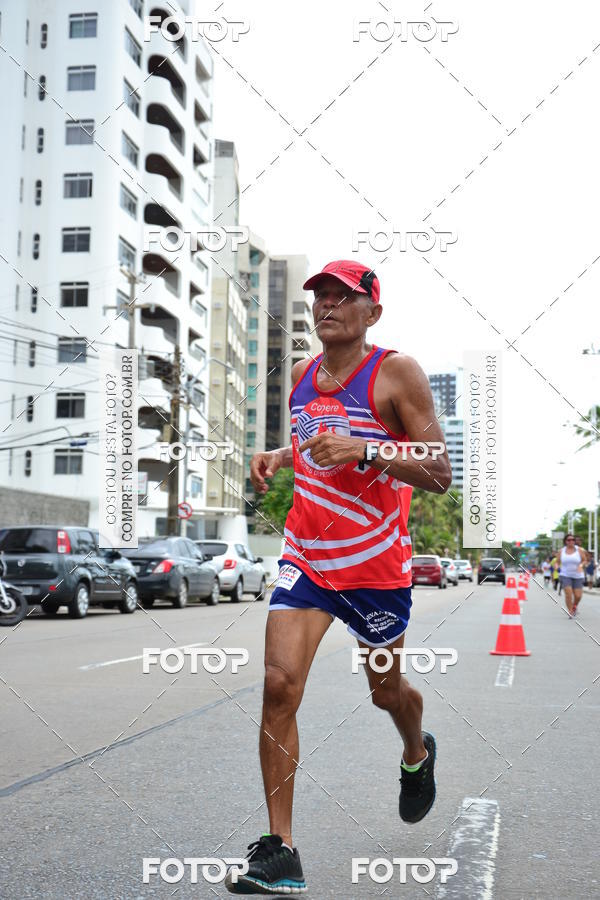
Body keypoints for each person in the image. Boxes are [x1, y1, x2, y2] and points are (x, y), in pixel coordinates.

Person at [226, 260, 452, 895]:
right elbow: (311, 440)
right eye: (319, 295)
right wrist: (278, 454)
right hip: (308, 557)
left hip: (375, 565)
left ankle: (416, 751)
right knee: (278, 685)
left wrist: (369, 449)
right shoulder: (302, 375)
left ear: (371, 313)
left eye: (341, 296)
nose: (325, 304)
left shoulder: (395, 372)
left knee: (386, 693)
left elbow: (438, 469)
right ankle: (281, 850)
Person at [559, 533, 585, 617]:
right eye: (569, 540)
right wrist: (556, 567)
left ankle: (574, 606)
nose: (571, 541)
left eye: (573, 540)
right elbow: (557, 562)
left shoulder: (579, 550)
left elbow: (584, 560)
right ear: (565, 541)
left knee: (578, 596)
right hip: (565, 575)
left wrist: (581, 566)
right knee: (568, 594)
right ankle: (570, 611)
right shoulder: (561, 551)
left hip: (578, 575)